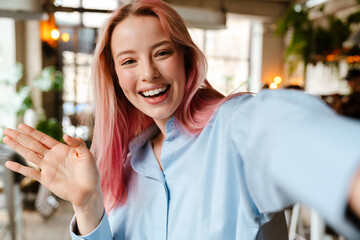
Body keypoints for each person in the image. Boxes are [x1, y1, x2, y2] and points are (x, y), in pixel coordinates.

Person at [2, 0, 360, 239]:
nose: (148, 73)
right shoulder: (126, 161)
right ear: (113, 77)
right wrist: (87, 203)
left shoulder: (233, 126)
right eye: (128, 61)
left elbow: (283, 128)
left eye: (162, 52)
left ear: (186, 59)